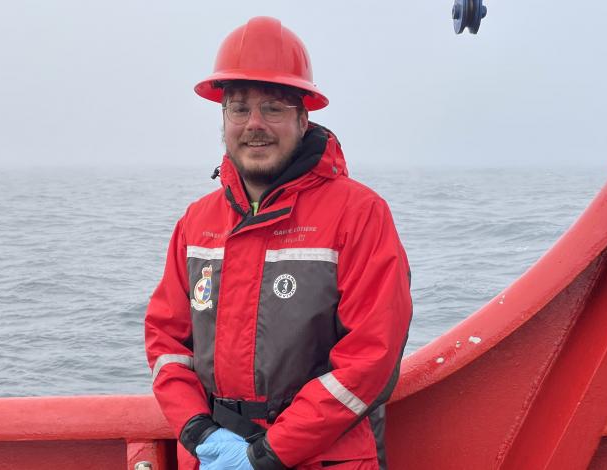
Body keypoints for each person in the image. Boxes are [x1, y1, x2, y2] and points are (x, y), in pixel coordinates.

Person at [145, 16, 412, 470]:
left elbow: (371, 356)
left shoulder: (359, 214)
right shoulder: (196, 222)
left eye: (273, 108)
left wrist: (268, 455)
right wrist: (198, 432)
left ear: (303, 118)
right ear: (222, 116)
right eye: (239, 108)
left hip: (321, 460)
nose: (255, 125)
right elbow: (167, 341)